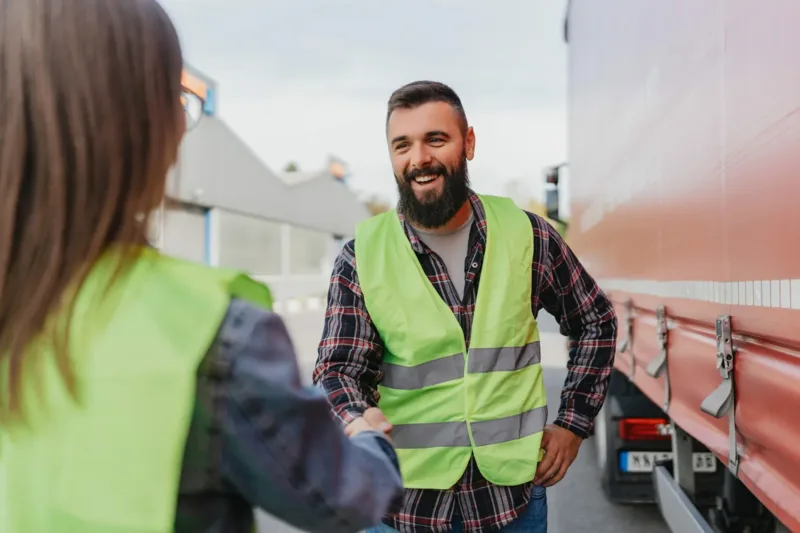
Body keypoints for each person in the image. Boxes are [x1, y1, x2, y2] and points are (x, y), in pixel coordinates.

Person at [0, 1, 403, 532]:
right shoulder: (211, 331)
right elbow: (347, 497)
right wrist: (369, 440)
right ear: (143, 127)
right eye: (177, 100)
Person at [313, 80, 618, 533]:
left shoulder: (527, 235)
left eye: (436, 139)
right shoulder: (362, 255)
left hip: (510, 501)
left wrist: (573, 424)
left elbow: (595, 320)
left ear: (468, 143)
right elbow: (337, 370)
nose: (419, 159)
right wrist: (357, 420)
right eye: (403, 145)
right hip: (402, 508)